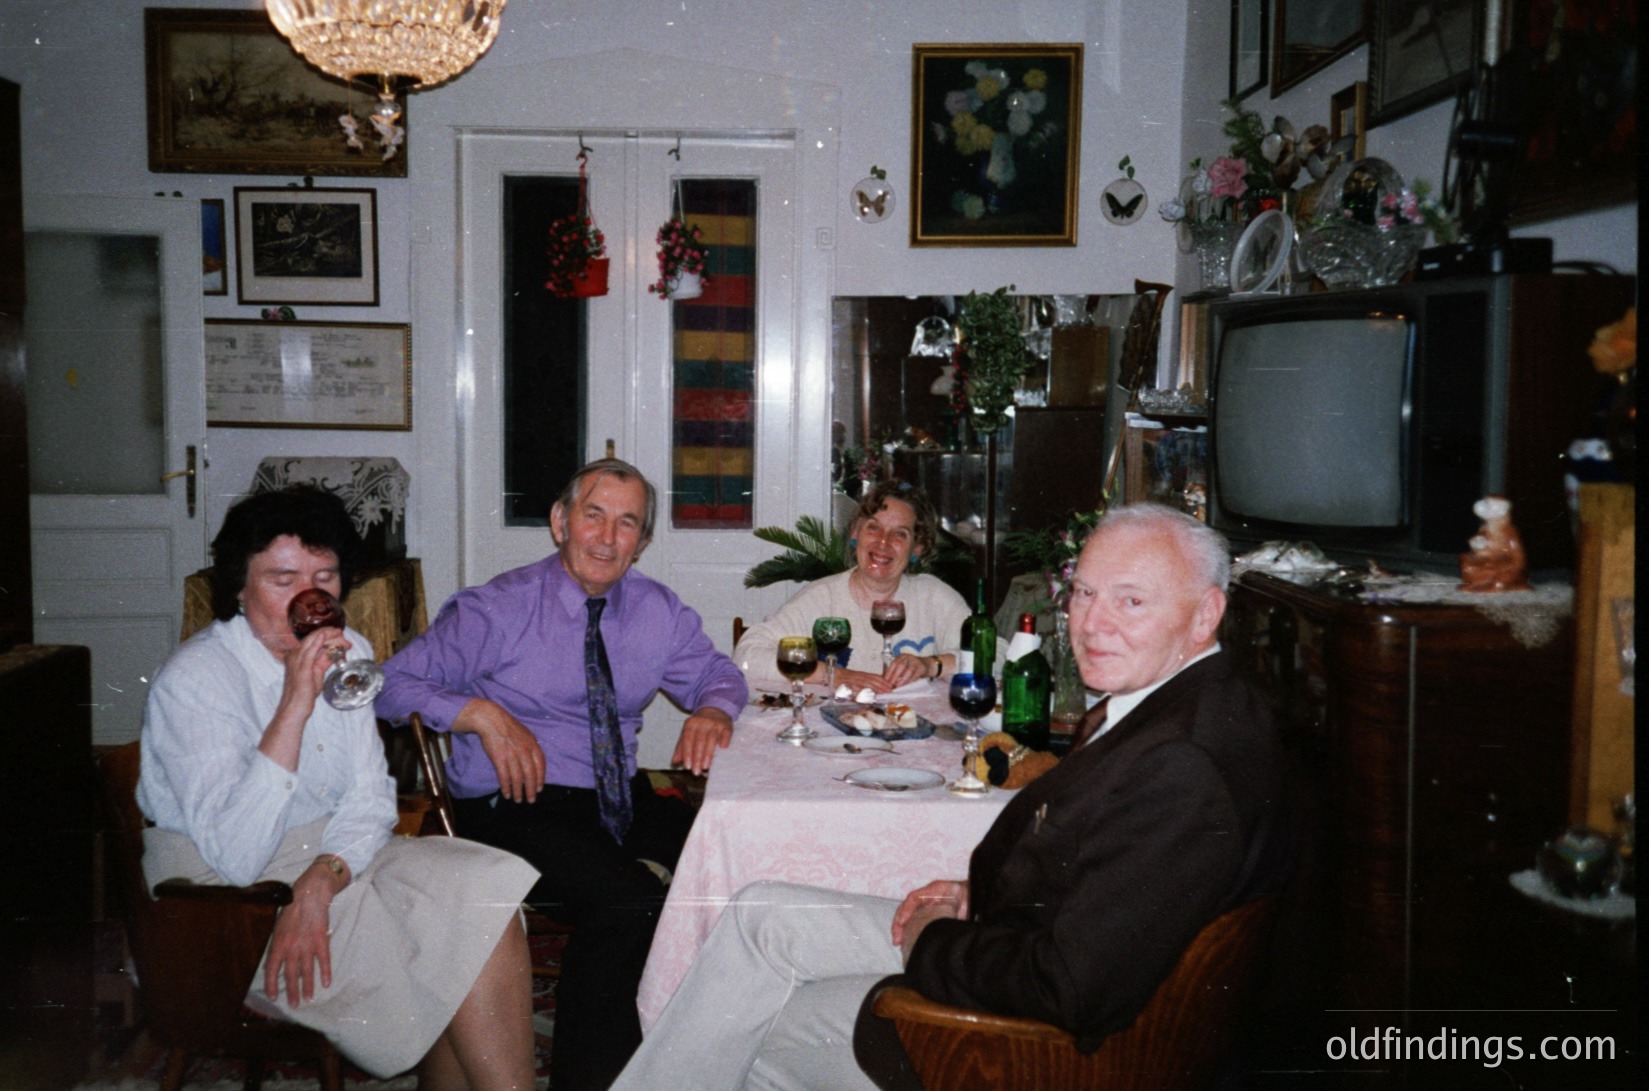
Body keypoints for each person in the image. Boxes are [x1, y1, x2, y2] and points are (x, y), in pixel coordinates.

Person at [611, 502, 1293, 1091]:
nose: (1092, 622)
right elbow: (1097, 875)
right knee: (761, 914)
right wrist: (978, 892)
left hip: (1025, 1050)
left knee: (727, 1025)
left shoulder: (1183, 765)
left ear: (1206, 611)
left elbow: (1068, 985)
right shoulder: (1181, 702)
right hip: (1009, 934)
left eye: (1130, 599)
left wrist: (932, 936)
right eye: (1083, 593)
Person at [137, 486, 539, 1089]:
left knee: (485, 896)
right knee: (452, 952)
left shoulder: (349, 656)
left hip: (330, 860)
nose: (310, 598)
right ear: (238, 587)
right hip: (226, 902)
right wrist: (295, 705)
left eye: (325, 577)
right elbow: (238, 854)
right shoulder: (196, 680)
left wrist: (322, 880)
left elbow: (370, 799)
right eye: (282, 579)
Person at [376, 457, 748, 1090]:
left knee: (731, 861)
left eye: (626, 524)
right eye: (593, 515)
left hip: (616, 797)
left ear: (643, 543)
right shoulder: (497, 608)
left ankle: (685, 1058)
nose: (606, 538)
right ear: (559, 521)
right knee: (628, 900)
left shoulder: (656, 610)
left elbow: (719, 674)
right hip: (513, 803)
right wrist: (478, 713)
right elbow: (390, 686)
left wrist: (714, 710)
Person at [733, 479, 974, 694]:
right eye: (873, 527)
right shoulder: (822, 597)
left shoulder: (933, 596)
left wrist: (930, 665)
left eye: (899, 534)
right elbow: (746, 656)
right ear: (855, 533)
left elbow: (995, 655)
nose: (883, 542)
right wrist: (834, 675)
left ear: (917, 548)